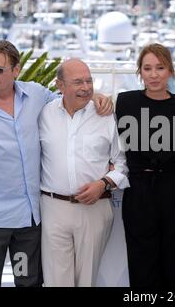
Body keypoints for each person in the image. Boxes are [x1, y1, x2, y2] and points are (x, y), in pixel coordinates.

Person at [0, 40, 112, 287]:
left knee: (27, 282)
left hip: (28, 222)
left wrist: (95, 96)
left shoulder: (36, 95)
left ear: (16, 70)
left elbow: (68, 98)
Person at [115, 43, 175, 287]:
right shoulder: (125, 102)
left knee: (172, 264)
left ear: (170, 70)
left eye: (160, 67)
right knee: (140, 266)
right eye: (147, 68)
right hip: (139, 193)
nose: (154, 74)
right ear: (140, 72)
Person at [39, 58, 129, 287]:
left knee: (86, 281)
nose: (86, 87)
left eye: (89, 81)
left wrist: (104, 184)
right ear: (60, 86)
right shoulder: (43, 114)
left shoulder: (106, 114)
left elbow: (122, 163)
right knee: (56, 282)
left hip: (94, 210)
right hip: (53, 208)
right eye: (78, 82)